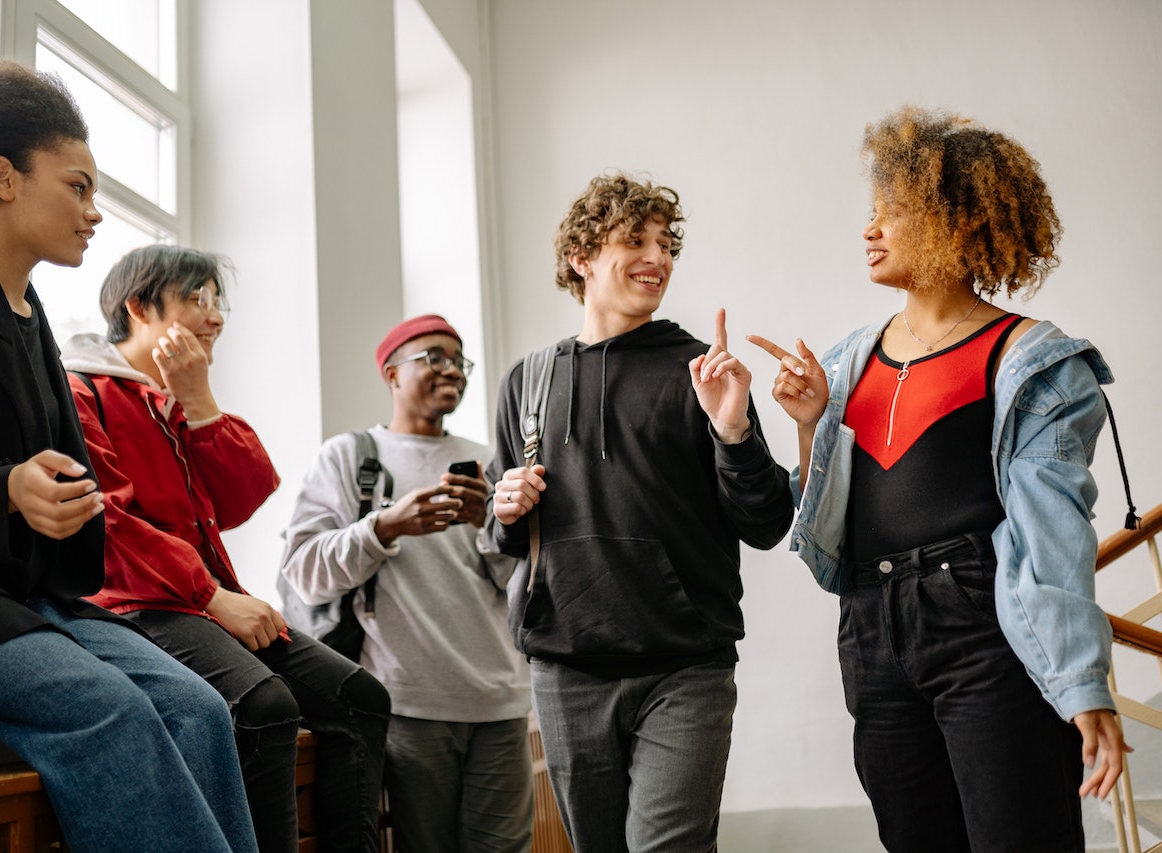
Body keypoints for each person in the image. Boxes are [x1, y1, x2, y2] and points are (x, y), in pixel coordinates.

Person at [0, 61, 257, 852]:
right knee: (114, 710)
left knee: (200, 708)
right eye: (78, 186)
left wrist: (49, 505)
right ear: (3, 178)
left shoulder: (35, 328)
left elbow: (75, 522)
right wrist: (5, 494)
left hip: (29, 602)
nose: (94, 212)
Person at [749, 106, 1129, 852]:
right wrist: (807, 422)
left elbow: (1054, 533)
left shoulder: (1032, 361)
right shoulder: (846, 360)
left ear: (956, 226)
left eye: (892, 214)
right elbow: (823, 516)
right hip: (869, 626)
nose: (869, 229)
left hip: (980, 625)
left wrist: (1083, 684)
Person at [484, 173, 795, 852]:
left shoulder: (700, 373)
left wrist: (734, 433)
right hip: (566, 666)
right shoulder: (528, 381)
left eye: (665, 243)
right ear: (582, 256)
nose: (657, 257)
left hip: (686, 666)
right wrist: (505, 506)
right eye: (635, 239)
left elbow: (768, 521)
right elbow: (500, 534)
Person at [60, 245, 391, 853]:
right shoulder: (78, 390)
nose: (216, 317)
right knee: (265, 703)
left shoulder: (171, 403)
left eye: (219, 302)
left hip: (203, 600)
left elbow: (242, 498)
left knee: (359, 697)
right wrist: (212, 596)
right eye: (197, 299)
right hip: (136, 606)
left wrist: (201, 401)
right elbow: (106, 521)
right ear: (138, 307)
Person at [279, 314, 534, 853]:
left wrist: (484, 527)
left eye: (459, 361)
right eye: (434, 357)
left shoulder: (490, 463)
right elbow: (303, 573)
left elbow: (527, 584)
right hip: (409, 704)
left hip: (501, 702)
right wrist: (385, 526)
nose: (452, 371)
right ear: (392, 373)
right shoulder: (349, 458)